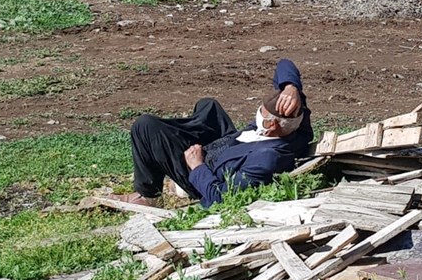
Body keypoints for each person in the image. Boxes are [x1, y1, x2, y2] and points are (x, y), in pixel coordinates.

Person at [126, 59, 313, 208]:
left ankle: (148, 196)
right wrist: (291, 88)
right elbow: (284, 64)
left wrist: (197, 166)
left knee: (146, 126)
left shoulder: (266, 159)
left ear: (270, 125)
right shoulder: (296, 121)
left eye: (261, 113)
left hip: (204, 169)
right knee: (208, 106)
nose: (257, 115)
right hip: (230, 144)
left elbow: (221, 197)